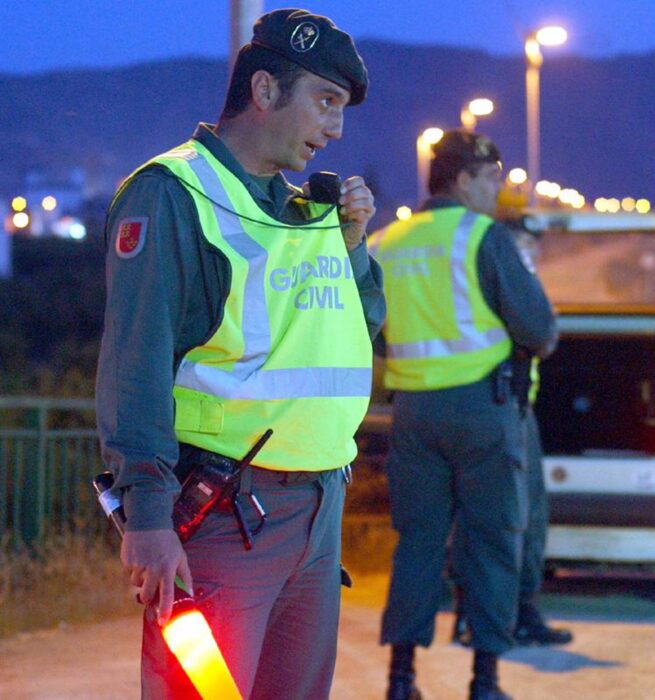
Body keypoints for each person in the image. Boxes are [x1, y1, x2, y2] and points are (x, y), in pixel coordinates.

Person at [95, 9, 385, 699]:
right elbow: (135, 363)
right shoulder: (174, 193)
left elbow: (359, 327)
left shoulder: (305, 210)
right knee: (204, 694)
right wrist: (148, 519)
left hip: (317, 514)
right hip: (227, 518)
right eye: (326, 101)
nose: (337, 129)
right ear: (263, 91)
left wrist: (352, 243)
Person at [369, 129, 557, 700]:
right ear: (462, 179)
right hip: (483, 411)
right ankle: (485, 680)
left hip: (414, 417)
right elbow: (540, 330)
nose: (497, 190)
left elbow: (375, 333)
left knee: (418, 543)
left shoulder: (385, 242)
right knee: (494, 541)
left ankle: (401, 680)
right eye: (490, 179)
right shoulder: (483, 238)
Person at [451, 227, 573, 649]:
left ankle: (505, 612)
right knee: (504, 522)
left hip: (513, 410)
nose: (531, 262)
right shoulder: (501, 285)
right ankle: (491, 616)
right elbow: (539, 335)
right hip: (499, 413)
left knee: (522, 520)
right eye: (525, 253)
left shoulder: (502, 283)